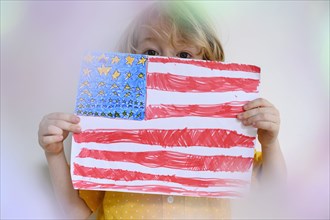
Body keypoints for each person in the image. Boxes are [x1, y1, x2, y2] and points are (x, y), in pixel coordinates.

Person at [38, 1, 286, 219]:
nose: (165, 63)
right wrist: (54, 153)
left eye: (185, 55)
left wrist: (270, 142)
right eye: (151, 52)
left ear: (209, 63)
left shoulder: (225, 131)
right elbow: (76, 212)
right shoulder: (111, 131)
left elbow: (273, 193)